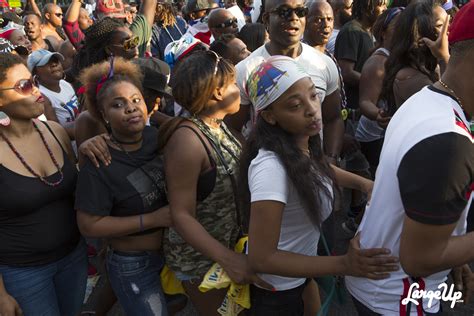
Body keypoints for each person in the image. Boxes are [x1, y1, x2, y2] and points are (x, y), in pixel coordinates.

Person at [241, 56, 399, 315]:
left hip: (300, 278)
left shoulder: (300, 144)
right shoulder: (271, 168)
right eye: (294, 105)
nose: (312, 109)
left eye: (313, 96)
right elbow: (262, 257)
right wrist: (344, 264)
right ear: (269, 116)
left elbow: (317, 168)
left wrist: (364, 184)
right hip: (276, 293)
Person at [346, 3, 473, 314]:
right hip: (397, 299)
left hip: (385, 288)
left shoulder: (429, 100)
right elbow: (420, 259)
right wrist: (446, 250)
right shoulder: (448, 140)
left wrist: (453, 251)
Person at [160, 50, 270, 316]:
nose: (237, 88)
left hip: (225, 248)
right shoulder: (188, 141)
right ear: (218, 92)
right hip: (201, 262)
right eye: (232, 83)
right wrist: (228, 258)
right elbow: (181, 214)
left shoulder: (218, 125)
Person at [75, 57, 171, 316]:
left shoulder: (158, 138)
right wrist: (152, 219)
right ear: (103, 114)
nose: (130, 108)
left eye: (136, 100)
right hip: (132, 264)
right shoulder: (99, 159)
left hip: (171, 256)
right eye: (118, 105)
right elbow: (89, 224)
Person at [0, 53, 87, 316]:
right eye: (24, 86)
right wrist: (1, 294)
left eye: (32, 81)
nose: (36, 90)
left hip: (74, 258)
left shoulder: (55, 132)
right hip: (22, 273)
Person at [232, 0, 344, 164]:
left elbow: (333, 118)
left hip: (315, 170)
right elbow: (232, 128)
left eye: (300, 11)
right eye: (284, 11)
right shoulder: (246, 69)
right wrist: (254, 161)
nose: (294, 18)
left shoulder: (323, 63)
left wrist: (331, 158)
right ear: (266, 19)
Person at [355, 7, 403, 177]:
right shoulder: (377, 62)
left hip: (390, 134)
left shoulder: (400, 57)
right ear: (383, 33)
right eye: (397, 28)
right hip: (373, 138)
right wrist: (378, 115)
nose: (402, 33)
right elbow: (365, 102)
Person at [380, 1, 448, 115]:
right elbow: (448, 107)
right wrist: (444, 57)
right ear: (420, 33)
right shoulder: (409, 77)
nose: (448, 31)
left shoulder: (427, 67)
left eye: (450, 23)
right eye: (441, 26)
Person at [334, 0, 386, 110]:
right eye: (380, 5)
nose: (385, 9)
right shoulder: (351, 31)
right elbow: (346, 73)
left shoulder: (369, 31)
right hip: (353, 110)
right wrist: (376, 84)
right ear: (365, 8)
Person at [28, 50, 79, 148]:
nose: (54, 64)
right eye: (47, 63)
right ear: (35, 72)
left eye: (56, 60)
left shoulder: (66, 84)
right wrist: (86, 128)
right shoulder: (42, 97)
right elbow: (57, 133)